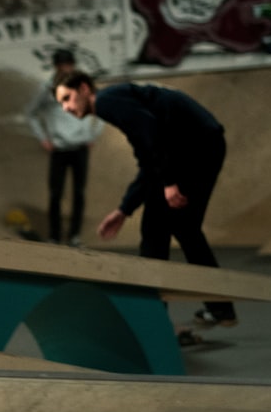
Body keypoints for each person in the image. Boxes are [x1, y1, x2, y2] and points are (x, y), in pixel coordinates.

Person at [52, 70, 236, 328]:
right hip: (202, 144)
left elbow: (152, 136)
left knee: (154, 231)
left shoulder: (105, 101)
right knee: (185, 229)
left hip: (193, 149)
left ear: (84, 89)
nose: (66, 108)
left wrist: (170, 181)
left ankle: (152, 319)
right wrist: (124, 210)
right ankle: (221, 310)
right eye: (61, 103)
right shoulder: (118, 100)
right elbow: (149, 161)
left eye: (67, 98)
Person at [24, 49, 103, 247]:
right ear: (57, 67)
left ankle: (74, 235)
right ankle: (55, 235)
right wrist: (43, 138)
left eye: (68, 66)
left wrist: (92, 135)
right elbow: (31, 113)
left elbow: (99, 109)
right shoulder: (46, 88)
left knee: (79, 192)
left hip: (80, 147)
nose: (66, 69)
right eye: (62, 66)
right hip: (59, 147)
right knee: (56, 193)